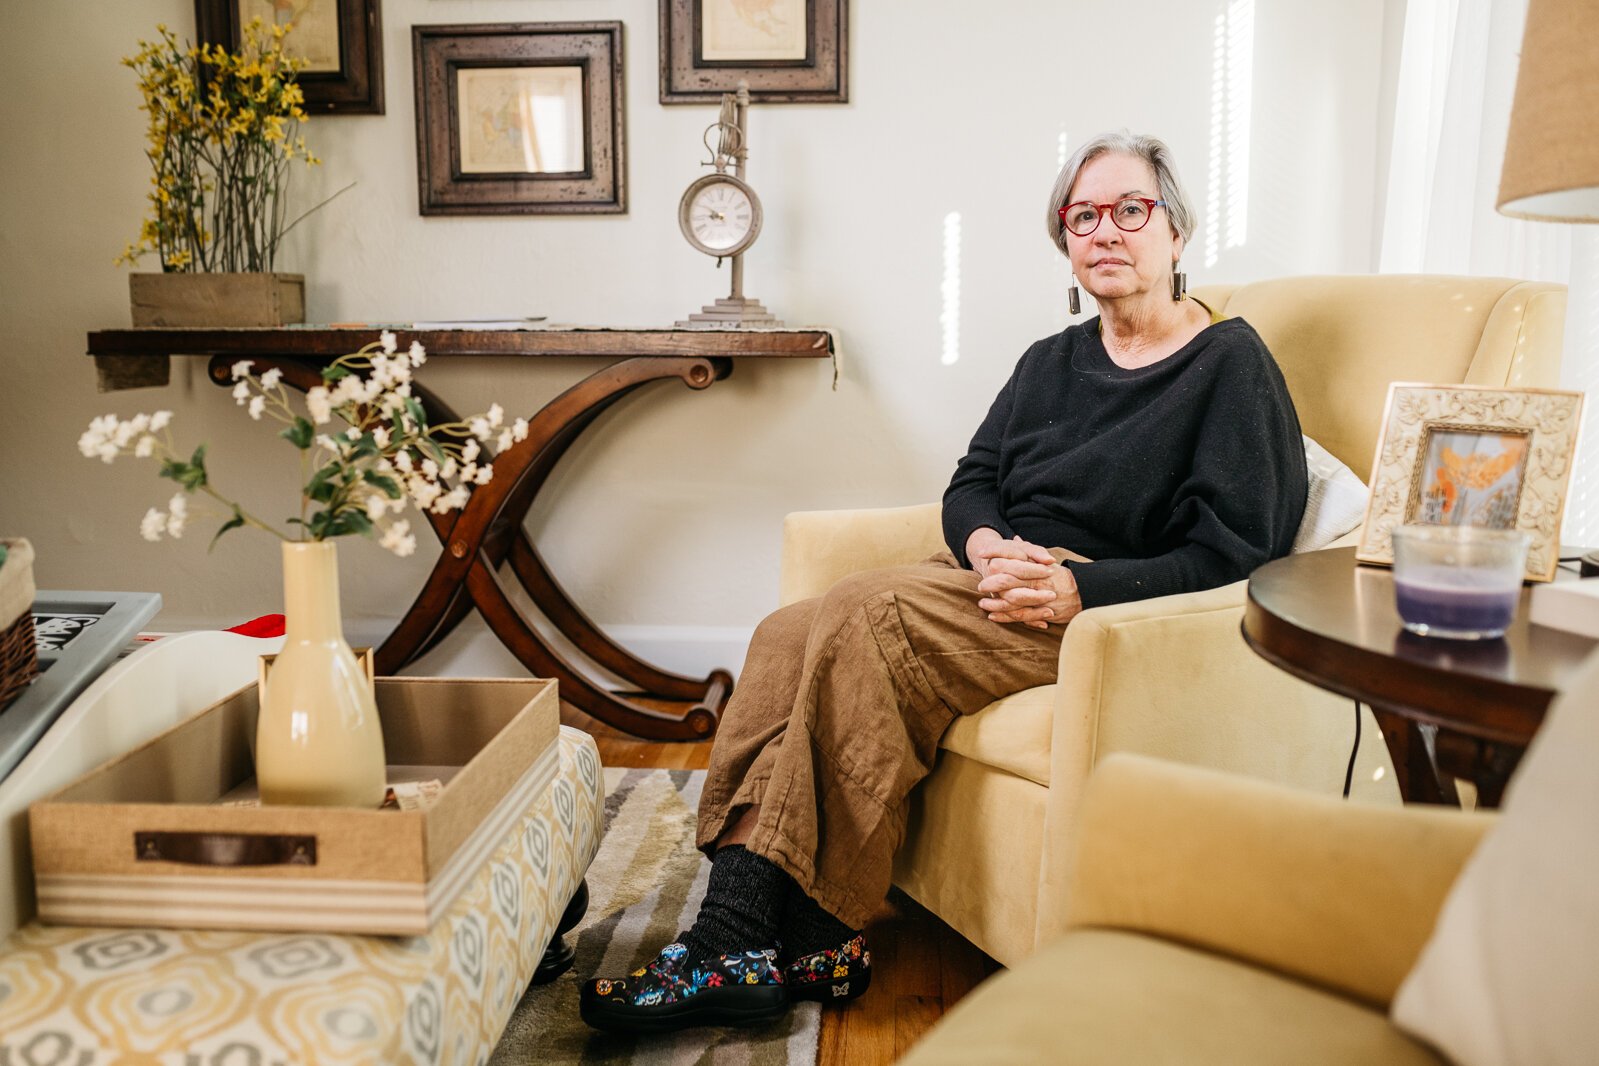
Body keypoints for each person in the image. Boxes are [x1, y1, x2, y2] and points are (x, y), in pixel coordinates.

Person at [580, 130, 1309, 1034]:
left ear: (1174, 231)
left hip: (1096, 611)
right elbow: (971, 481)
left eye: (1130, 210)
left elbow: (1240, 551)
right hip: (993, 582)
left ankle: (737, 936)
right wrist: (985, 547)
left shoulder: (1229, 366)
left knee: (861, 612)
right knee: (784, 632)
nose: (1105, 232)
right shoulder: (1051, 360)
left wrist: (1084, 589)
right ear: (1065, 244)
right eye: (1081, 217)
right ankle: (805, 944)